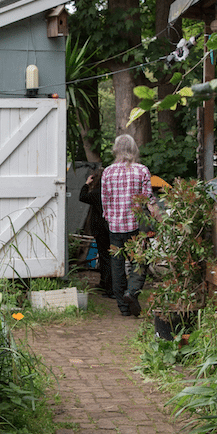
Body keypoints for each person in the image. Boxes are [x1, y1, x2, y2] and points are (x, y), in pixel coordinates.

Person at [101, 134, 157, 317]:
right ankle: (131, 292)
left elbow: (105, 201)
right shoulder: (142, 171)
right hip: (136, 226)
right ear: (134, 150)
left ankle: (123, 307)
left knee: (116, 266)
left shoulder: (107, 172)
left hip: (115, 227)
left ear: (115, 150)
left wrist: (110, 219)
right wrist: (161, 220)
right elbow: (149, 200)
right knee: (138, 262)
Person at [79, 168, 112, 297]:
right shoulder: (111, 193)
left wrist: (87, 184)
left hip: (100, 229)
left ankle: (109, 288)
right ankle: (106, 284)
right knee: (110, 257)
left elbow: (82, 197)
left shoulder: (97, 193)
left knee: (105, 258)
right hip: (111, 227)